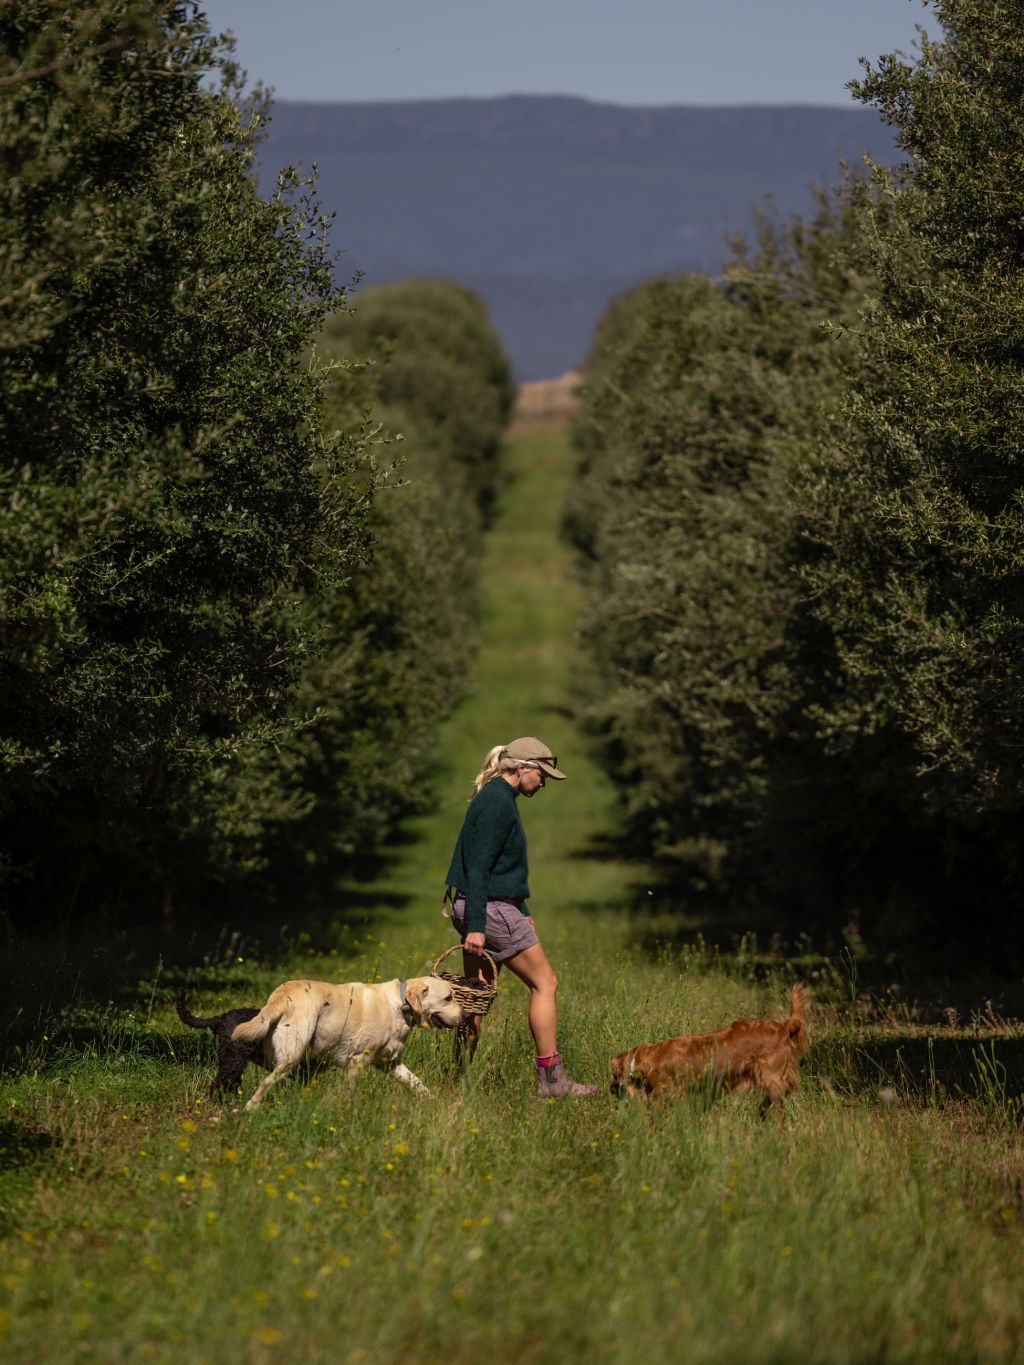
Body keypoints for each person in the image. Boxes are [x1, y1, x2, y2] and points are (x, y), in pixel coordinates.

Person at [444, 736, 598, 1098]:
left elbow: (497, 869)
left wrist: (521, 913)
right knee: (546, 983)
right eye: (542, 774)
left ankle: (456, 1084)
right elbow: (479, 869)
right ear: (523, 768)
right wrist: (478, 928)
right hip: (488, 908)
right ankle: (552, 1081)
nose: (543, 782)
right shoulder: (498, 803)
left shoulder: (496, 797)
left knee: (475, 997)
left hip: (481, 905)